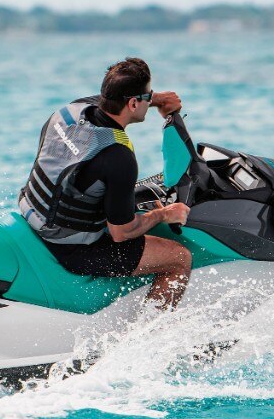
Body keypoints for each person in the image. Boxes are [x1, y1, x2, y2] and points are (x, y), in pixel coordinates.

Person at [19, 57, 193, 310]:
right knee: (179, 257)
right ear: (133, 103)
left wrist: (156, 99)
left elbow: (114, 99)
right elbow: (121, 233)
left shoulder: (71, 110)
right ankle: (151, 338)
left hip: (34, 214)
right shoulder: (117, 157)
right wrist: (164, 214)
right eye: (146, 96)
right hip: (71, 248)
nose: (149, 99)